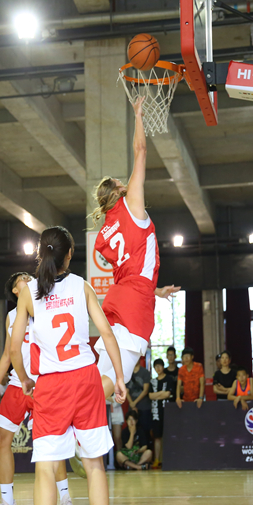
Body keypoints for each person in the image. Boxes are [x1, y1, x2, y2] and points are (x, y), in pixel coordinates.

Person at [8, 226, 126, 505]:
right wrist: (119, 377)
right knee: (94, 464)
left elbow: (14, 348)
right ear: (70, 254)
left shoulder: (28, 293)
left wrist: (25, 379)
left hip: (52, 386)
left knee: (46, 466)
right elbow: (107, 333)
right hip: (86, 380)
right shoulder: (82, 286)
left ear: (40, 254)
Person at [92, 96, 180, 402]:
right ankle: (71, 414)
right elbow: (140, 150)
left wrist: (157, 291)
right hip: (134, 301)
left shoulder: (104, 232)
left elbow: (129, 268)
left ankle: (72, 412)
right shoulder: (132, 205)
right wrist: (139, 116)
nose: (127, 183)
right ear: (119, 190)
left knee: (104, 371)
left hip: (117, 297)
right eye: (122, 182)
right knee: (122, 377)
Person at [0, 271, 80, 505]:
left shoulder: (46, 304)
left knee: (51, 444)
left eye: (29, 275)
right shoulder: (11, 316)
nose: (29, 278)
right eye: (23, 278)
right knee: (2, 439)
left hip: (43, 383)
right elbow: (7, 355)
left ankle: (65, 500)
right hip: (18, 383)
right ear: (15, 290)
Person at [148, 358, 174, 468]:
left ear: (163, 367)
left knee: (167, 436)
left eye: (160, 366)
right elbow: (150, 396)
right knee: (157, 436)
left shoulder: (169, 379)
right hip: (156, 412)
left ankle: (167, 460)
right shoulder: (153, 381)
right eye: (156, 367)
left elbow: (168, 394)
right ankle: (157, 459)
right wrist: (161, 393)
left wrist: (157, 395)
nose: (158, 368)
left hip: (167, 411)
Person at [126, 359, 152, 440]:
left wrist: (134, 403)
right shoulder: (128, 373)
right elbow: (126, 390)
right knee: (132, 430)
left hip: (144, 407)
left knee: (145, 430)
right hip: (132, 407)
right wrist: (131, 403)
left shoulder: (145, 372)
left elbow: (145, 390)